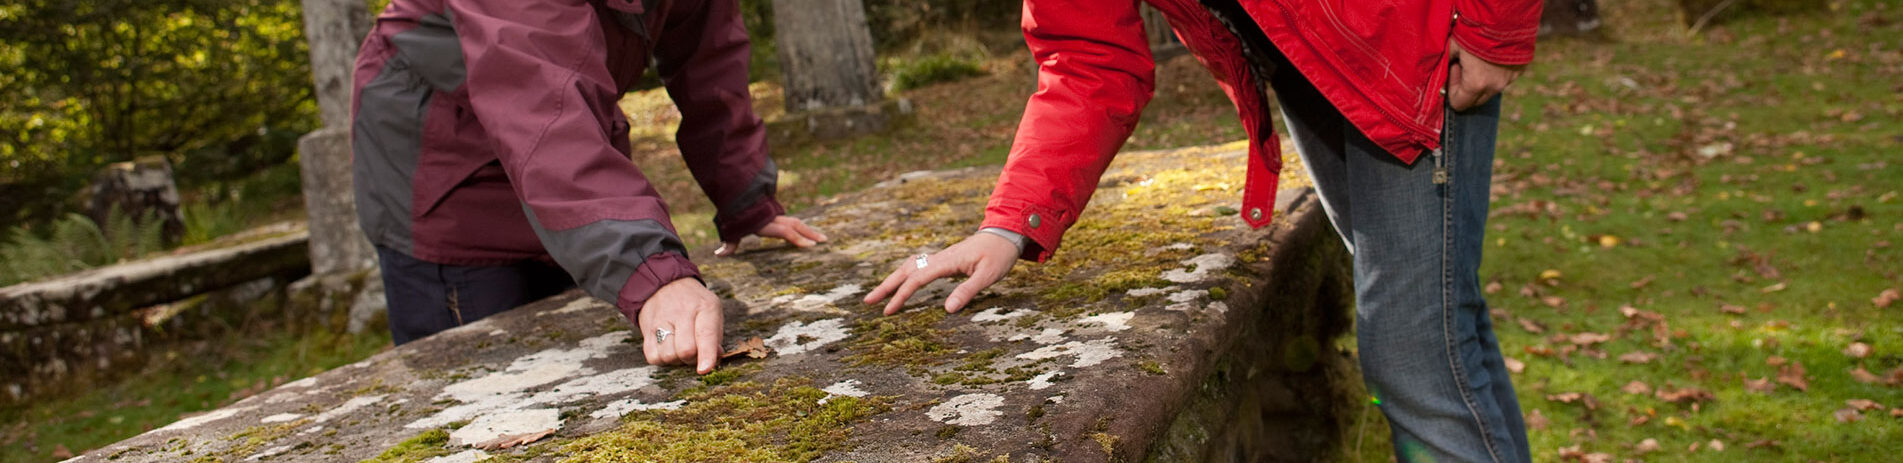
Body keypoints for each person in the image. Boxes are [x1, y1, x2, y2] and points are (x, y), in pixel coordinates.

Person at [865, 0, 1541, 461]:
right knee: (1441, 327)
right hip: (1311, 72)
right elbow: (1087, 54)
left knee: (1411, 352)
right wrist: (1007, 224)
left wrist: (1494, 25)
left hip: (1412, 42)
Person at [351, 0, 825, 375]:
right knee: (492, 400)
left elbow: (708, 56)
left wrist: (746, 195)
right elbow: (545, 107)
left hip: (565, 179)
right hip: (450, 188)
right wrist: (653, 273)